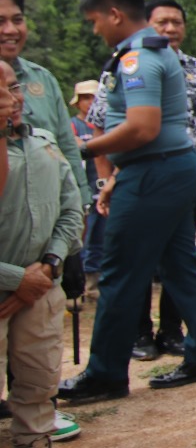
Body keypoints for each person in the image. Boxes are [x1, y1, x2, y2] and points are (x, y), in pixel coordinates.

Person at [59, 0, 196, 403]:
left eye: (95, 21)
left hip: (156, 172)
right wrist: (115, 176)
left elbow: (144, 127)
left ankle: (105, 374)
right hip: (166, 169)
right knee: (179, 263)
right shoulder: (151, 54)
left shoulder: (138, 60)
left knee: (119, 271)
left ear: (114, 14)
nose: (95, 30)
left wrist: (82, 148)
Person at [0, 60, 96, 448]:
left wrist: (52, 263)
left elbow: (70, 211)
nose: (12, 97)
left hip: (42, 286)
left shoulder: (42, 145)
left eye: (14, 87)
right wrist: (14, 279)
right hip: (12, 284)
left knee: (38, 374)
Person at [0, 0, 91, 206]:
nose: (11, 30)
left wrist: (81, 204)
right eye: (0, 21)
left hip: (45, 217)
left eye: (17, 20)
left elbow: (66, 147)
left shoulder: (42, 79)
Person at [69, 80, 104, 301]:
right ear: (78, 102)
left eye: (93, 98)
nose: (89, 103)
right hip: (80, 189)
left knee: (100, 237)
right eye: (85, 98)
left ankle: (93, 285)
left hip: (99, 187)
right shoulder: (72, 126)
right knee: (82, 236)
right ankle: (76, 283)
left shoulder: (102, 125)